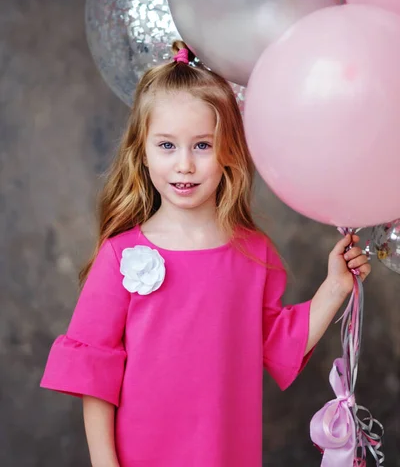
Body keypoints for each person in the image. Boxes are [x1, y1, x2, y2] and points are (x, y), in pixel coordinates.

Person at [40, 41, 371, 467]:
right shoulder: (121, 255)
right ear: (141, 151)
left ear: (229, 150)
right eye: (166, 146)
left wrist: (334, 288)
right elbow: (94, 375)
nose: (184, 165)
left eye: (202, 145)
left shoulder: (253, 252)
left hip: (227, 452)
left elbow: (275, 343)